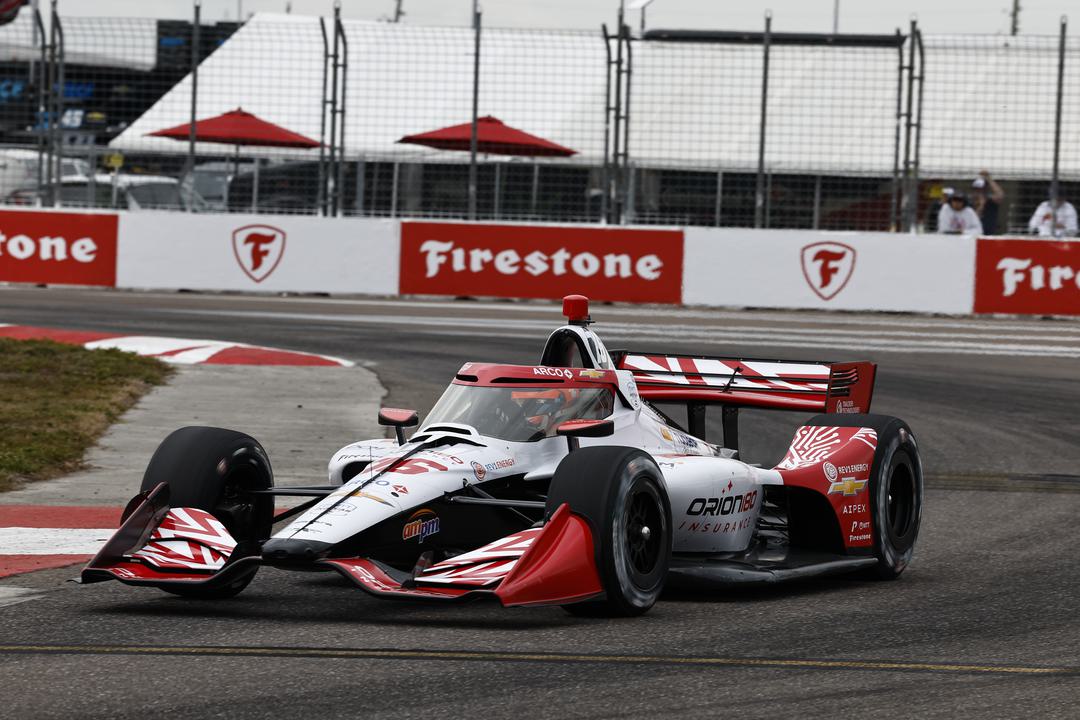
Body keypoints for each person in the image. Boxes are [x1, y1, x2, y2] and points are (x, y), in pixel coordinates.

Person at [971, 171, 1005, 235]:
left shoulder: (990, 201)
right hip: (975, 235)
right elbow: (973, 219)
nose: (979, 191)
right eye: (976, 189)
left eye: (981, 189)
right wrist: (981, 206)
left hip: (990, 234)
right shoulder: (969, 203)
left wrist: (989, 179)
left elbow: (1000, 195)